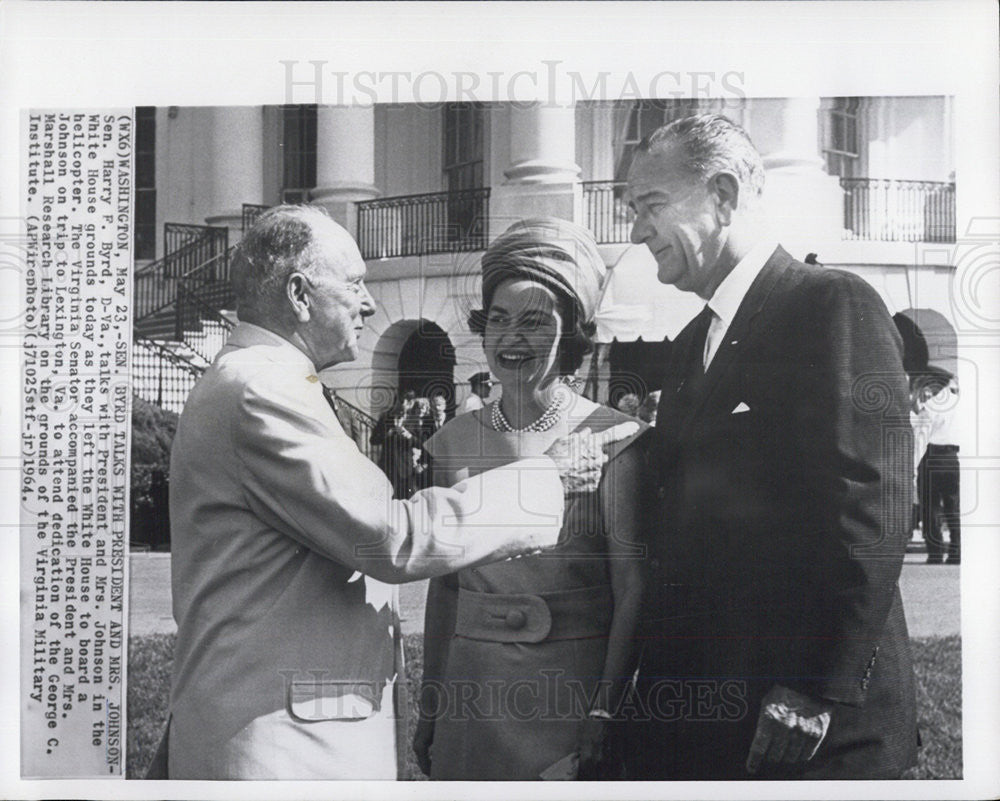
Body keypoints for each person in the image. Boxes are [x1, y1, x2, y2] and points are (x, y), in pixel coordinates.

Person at [161, 205, 636, 779]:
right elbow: (393, 540)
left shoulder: (269, 380)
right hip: (281, 743)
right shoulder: (261, 389)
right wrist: (550, 476)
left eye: (534, 321)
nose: (367, 302)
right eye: (356, 284)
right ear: (299, 294)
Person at [625, 115, 917, 779]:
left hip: (809, 729)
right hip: (709, 719)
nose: (638, 230)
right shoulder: (688, 343)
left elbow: (872, 508)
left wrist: (815, 685)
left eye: (651, 206)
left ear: (723, 195)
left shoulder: (831, 305)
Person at [413, 218, 647, 781]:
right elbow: (445, 590)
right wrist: (431, 704)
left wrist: (605, 709)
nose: (511, 338)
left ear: (571, 336)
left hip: (570, 694)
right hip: (472, 693)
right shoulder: (450, 442)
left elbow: (632, 588)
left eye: (535, 323)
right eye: (498, 320)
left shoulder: (614, 437)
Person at [911, 366, 961, 564]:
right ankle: (957, 552)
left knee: (930, 508)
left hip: (932, 456)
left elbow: (920, 436)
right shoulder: (960, 403)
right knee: (953, 506)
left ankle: (935, 552)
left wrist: (914, 467)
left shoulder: (931, 406)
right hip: (953, 457)